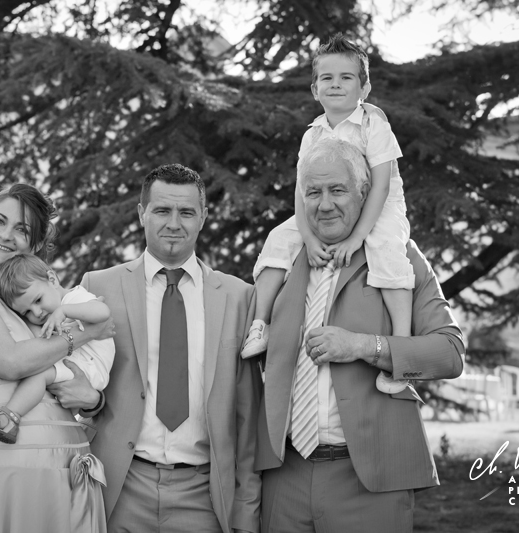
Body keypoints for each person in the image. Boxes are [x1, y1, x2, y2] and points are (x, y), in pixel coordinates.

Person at [255, 137, 465, 533]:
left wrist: (364, 346)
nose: (325, 204)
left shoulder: (397, 255)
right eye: (313, 192)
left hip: (371, 481)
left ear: (365, 192)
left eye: (337, 190)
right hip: (283, 477)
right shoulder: (280, 260)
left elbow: (450, 353)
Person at [80, 164, 261, 533]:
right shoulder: (98, 287)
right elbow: (69, 375)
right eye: (162, 210)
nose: (174, 223)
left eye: (187, 212)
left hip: (205, 494)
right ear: (142, 213)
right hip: (119, 486)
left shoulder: (239, 297)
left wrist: (245, 511)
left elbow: (248, 416)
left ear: (203, 217)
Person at [242, 34, 414, 396]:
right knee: (278, 240)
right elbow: (301, 190)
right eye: (327, 78)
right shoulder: (313, 135)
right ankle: (260, 323)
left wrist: (357, 237)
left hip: (380, 206)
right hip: (326, 204)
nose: (336, 84)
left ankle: (401, 348)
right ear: (315, 89)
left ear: (364, 88)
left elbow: (381, 187)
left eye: (346, 77)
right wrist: (307, 236)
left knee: (387, 250)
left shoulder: (374, 125)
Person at [0, 183, 115, 533]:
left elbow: (70, 380)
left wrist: (91, 399)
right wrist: (88, 332)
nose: (5, 234)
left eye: (21, 229)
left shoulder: (37, 303)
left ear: (35, 245)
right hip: (9, 469)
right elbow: (11, 362)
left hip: (70, 466)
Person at [0, 253, 115, 444]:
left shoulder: (74, 297)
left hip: (90, 368)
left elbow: (103, 312)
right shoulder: (51, 313)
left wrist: (64, 311)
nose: (37, 312)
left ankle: (8, 417)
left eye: (37, 300)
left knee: (40, 374)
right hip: (82, 365)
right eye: (27, 311)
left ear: (52, 279)